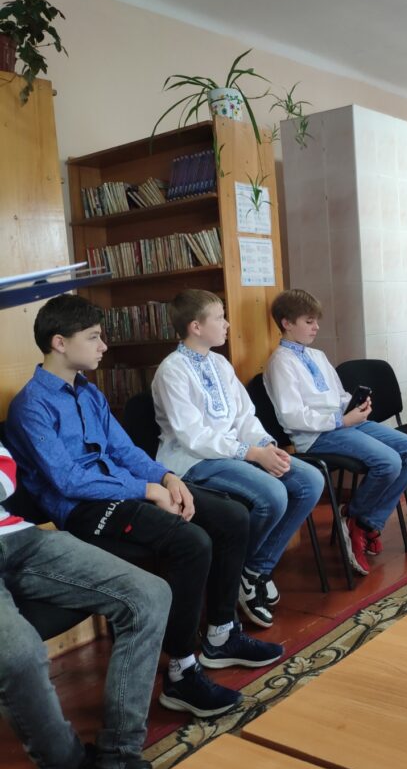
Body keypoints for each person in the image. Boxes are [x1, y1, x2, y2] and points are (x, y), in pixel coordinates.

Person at [5, 294, 284, 721]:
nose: (103, 346)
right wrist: (146, 489)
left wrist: (167, 478)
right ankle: (181, 673)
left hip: (125, 491)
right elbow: (67, 480)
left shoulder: (89, 393)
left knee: (232, 517)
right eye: (93, 337)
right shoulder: (31, 406)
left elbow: (124, 450)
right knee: (192, 543)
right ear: (59, 343)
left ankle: (221, 634)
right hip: (84, 509)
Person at [0, 438, 171, 769]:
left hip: (17, 536)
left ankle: (118, 762)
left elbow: (6, 469)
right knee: (17, 655)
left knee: (150, 595)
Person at [151, 290, 324, 627]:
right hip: (193, 461)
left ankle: (253, 569)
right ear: (196, 327)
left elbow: (245, 416)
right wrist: (251, 453)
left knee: (309, 481)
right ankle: (242, 573)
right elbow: (193, 436)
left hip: (234, 452)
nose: (227, 324)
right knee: (273, 495)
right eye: (219, 318)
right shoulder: (172, 371)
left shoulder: (219, 363)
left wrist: (266, 445)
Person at [264, 289, 407, 576]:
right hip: (316, 436)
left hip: (346, 423)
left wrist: (356, 406)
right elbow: (292, 416)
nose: (316, 327)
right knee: (389, 461)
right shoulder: (280, 362)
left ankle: (361, 520)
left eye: (316, 321)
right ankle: (360, 522)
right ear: (287, 323)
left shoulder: (317, 355)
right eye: (309, 321)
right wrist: (340, 420)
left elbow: (338, 395)